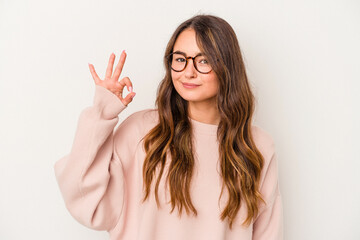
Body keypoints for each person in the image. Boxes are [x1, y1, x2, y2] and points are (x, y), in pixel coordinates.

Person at [54, 14, 283, 240]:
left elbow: (268, 234)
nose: (188, 71)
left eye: (204, 60)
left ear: (227, 67)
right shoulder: (142, 132)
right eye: (180, 59)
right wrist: (101, 113)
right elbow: (83, 197)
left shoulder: (257, 147)